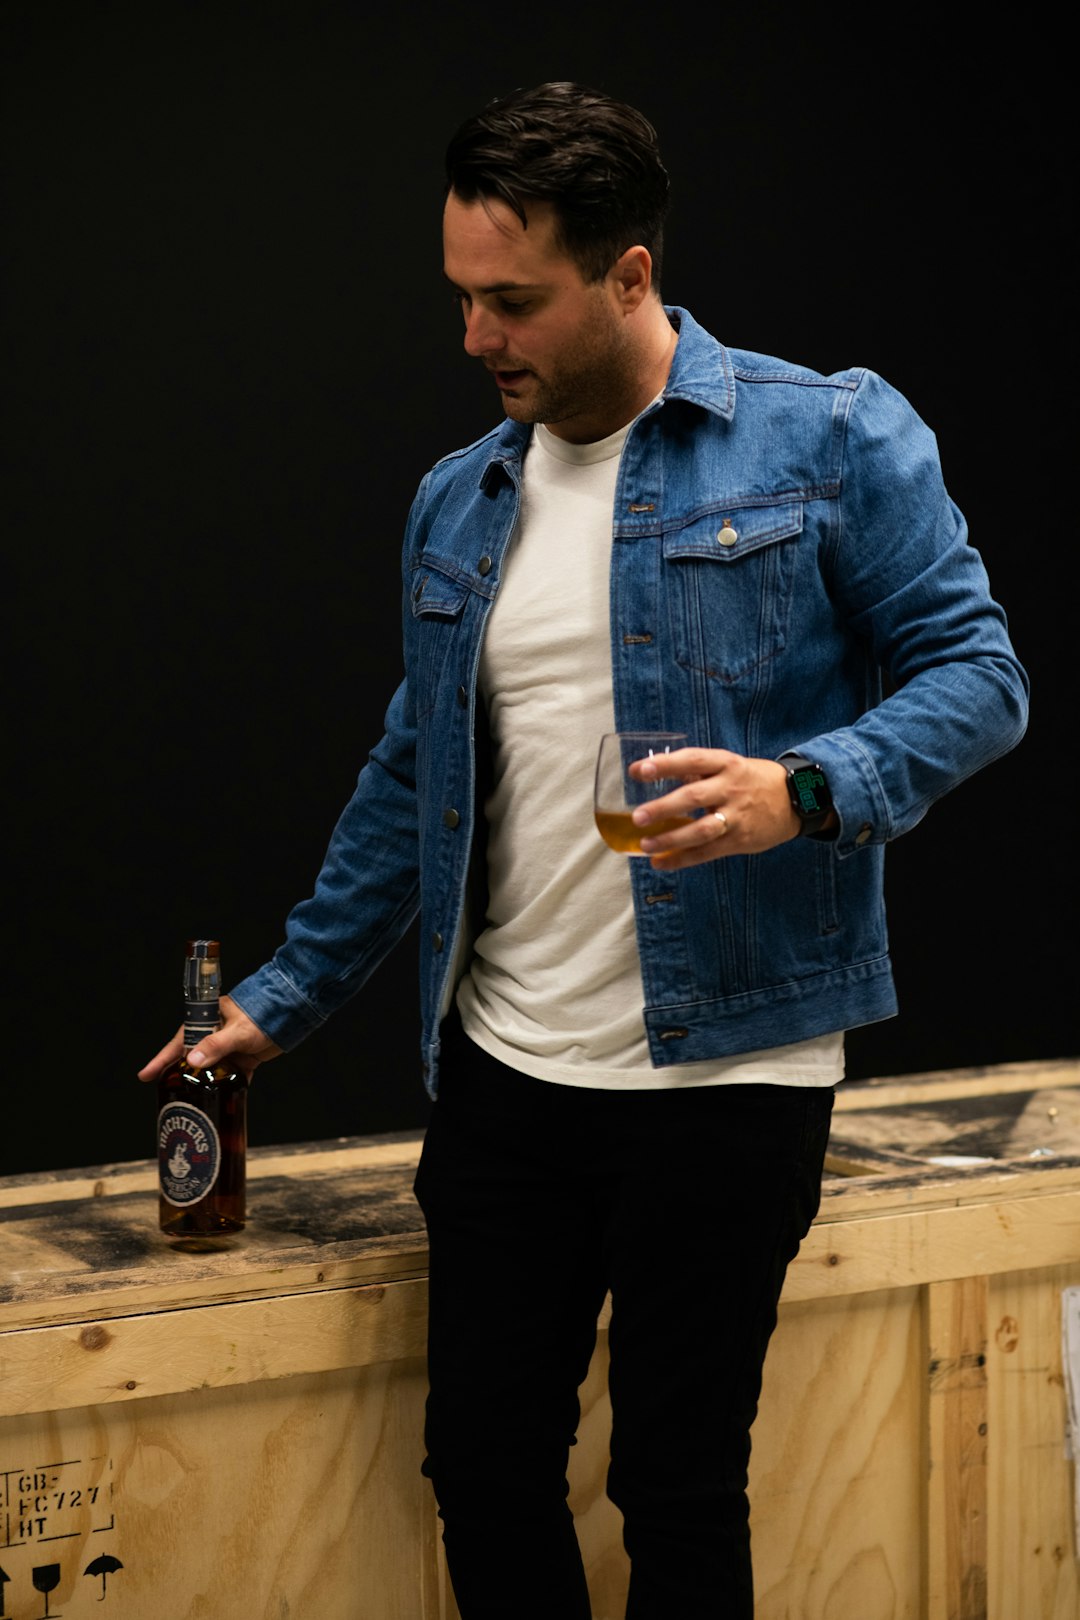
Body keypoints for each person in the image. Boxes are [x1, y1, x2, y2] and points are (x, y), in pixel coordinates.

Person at [140, 82, 1029, 1619]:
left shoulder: (828, 436)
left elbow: (981, 677)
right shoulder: (459, 499)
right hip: (505, 1076)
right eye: (461, 298)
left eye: (514, 301)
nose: (478, 338)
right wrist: (280, 999)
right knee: (483, 1472)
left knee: (675, 1490)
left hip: (728, 1080)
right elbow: (413, 773)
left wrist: (805, 790)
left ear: (630, 275)